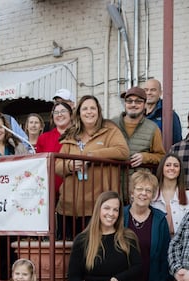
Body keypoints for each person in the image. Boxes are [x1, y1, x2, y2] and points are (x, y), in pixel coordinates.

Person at [55, 95, 129, 238]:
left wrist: (91, 155)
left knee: (94, 251)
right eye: (85, 109)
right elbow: (57, 166)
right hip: (68, 206)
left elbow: (123, 151)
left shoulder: (110, 130)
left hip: (97, 205)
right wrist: (70, 165)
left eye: (92, 108)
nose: (89, 112)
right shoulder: (71, 135)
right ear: (79, 113)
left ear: (98, 111)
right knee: (69, 252)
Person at [110, 86, 165, 175]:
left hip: (138, 185)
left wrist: (145, 157)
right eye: (129, 101)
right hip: (113, 181)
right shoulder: (111, 124)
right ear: (125, 104)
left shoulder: (152, 128)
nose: (133, 104)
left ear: (145, 104)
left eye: (138, 101)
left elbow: (161, 157)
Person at [35, 101, 73, 196]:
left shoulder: (79, 135)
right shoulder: (43, 138)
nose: (59, 115)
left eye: (63, 111)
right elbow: (38, 166)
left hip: (73, 191)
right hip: (49, 192)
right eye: (56, 112)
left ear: (71, 115)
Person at [142, 78, 182, 145]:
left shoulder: (169, 114)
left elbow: (177, 142)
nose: (149, 93)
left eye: (153, 90)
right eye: (146, 90)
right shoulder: (137, 114)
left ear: (160, 93)